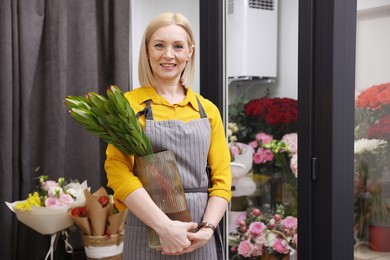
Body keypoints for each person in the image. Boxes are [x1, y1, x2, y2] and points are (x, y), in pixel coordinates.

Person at [104, 12, 232, 259]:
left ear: (190, 51)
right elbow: (118, 172)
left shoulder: (208, 111)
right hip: (147, 230)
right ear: (147, 50)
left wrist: (207, 229)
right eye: (159, 45)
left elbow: (222, 180)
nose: (168, 55)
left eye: (178, 46)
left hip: (198, 233)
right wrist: (164, 227)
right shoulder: (128, 106)